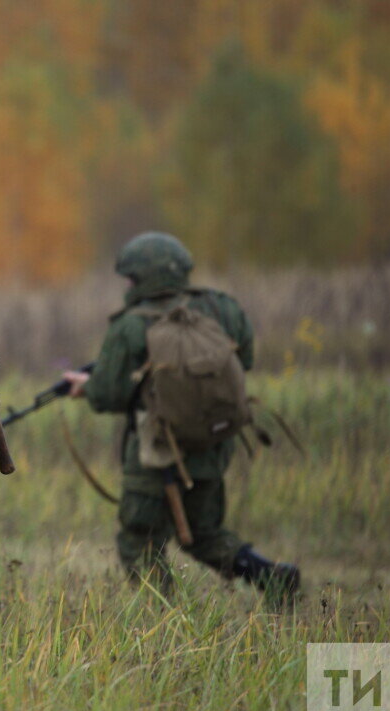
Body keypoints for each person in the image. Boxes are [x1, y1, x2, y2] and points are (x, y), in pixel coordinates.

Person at [62, 231, 299, 602]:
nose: (126, 284)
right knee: (204, 533)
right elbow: (244, 361)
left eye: (130, 277)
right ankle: (271, 577)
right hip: (213, 441)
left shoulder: (130, 325)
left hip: (157, 449)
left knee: (139, 540)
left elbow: (109, 393)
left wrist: (84, 387)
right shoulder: (223, 309)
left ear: (142, 278)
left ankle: (168, 624)